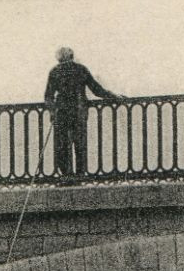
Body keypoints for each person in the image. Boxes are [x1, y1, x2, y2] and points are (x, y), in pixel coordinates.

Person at [44, 47, 124, 178]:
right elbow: (97, 89)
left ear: (58, 59)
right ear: (72, 56)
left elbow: (48, 96)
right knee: (80, 145)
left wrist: (52, 111)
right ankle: (80, 174)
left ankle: (66, 176)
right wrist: (114, 96)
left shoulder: (55, 71)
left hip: (61, 112)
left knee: (61, 146)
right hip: (79, 111)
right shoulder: (81, 69)